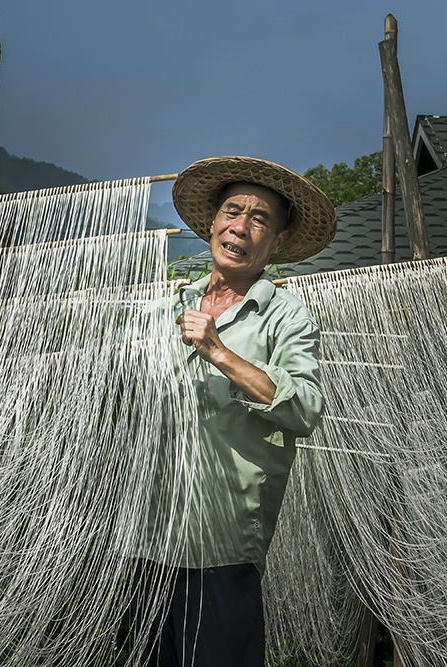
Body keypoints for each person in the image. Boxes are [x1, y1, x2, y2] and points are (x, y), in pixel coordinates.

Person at [124, 156, 336, 667]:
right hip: (147, 538)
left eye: (259, 218)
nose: (240, 225)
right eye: (232, 211)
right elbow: (123, 393)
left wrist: (220, 353)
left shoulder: (285, 317)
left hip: (220, 550)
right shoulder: (170, 305)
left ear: (278, 243)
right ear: (213, 223)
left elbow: (306, 408)